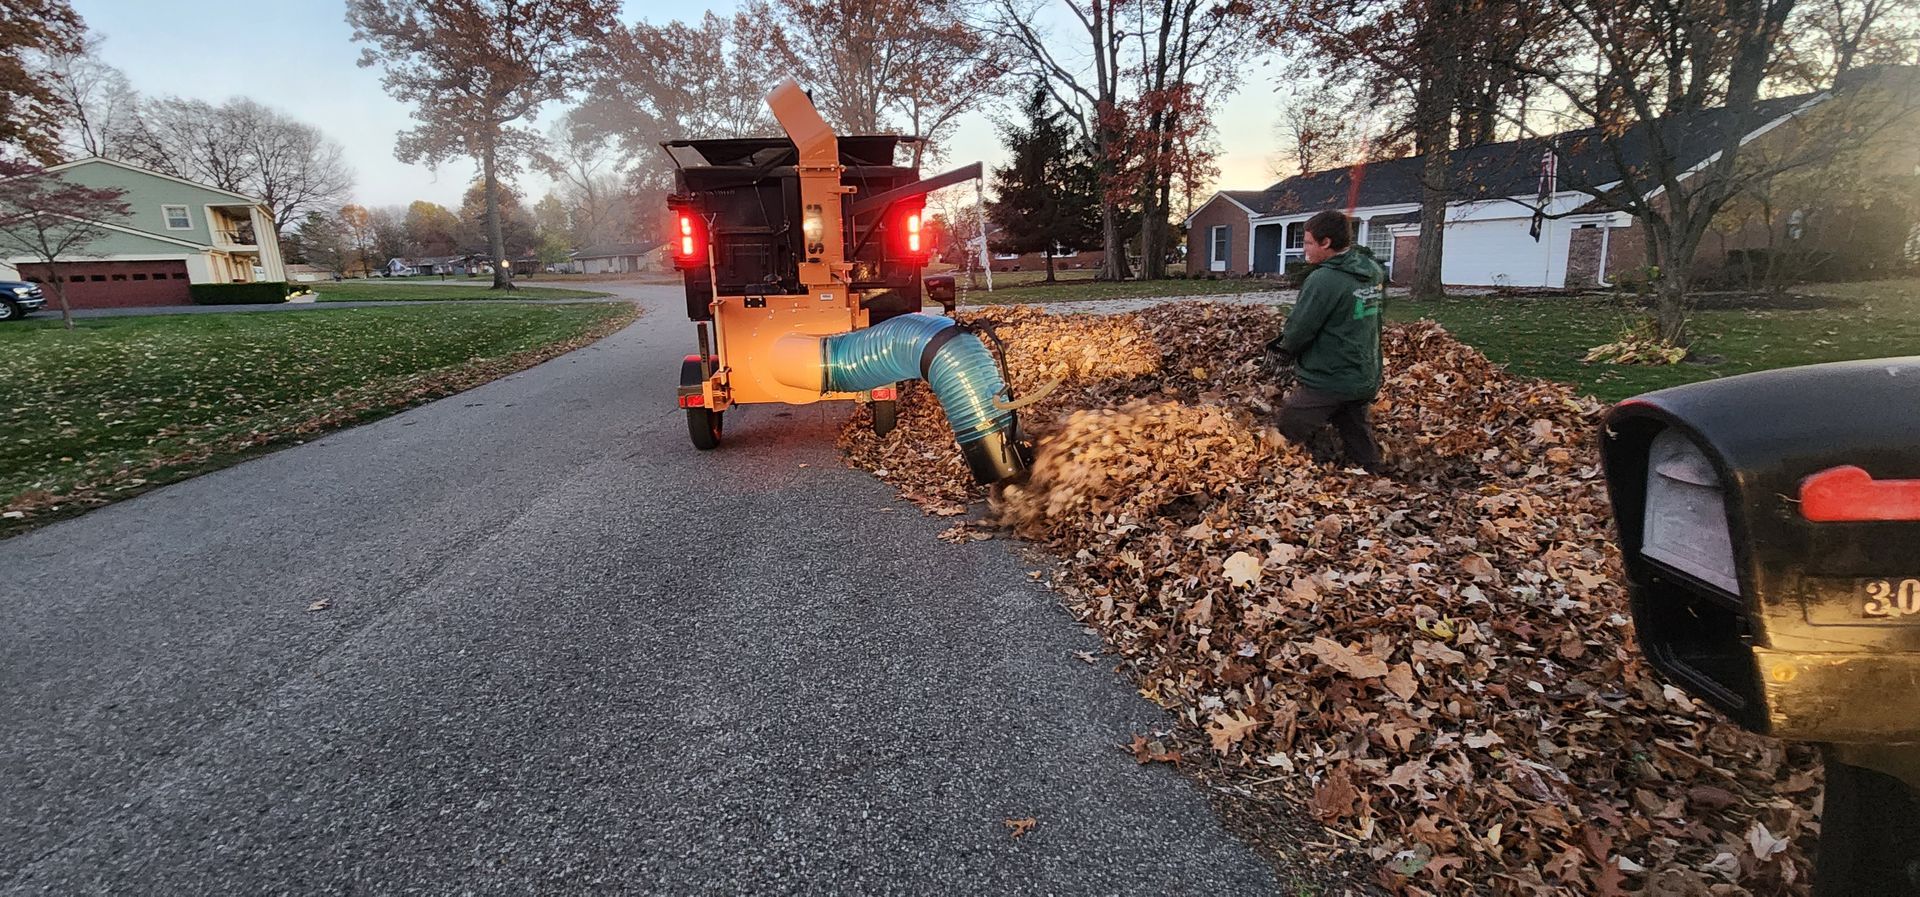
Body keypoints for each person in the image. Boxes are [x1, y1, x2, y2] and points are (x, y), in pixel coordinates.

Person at [1271, 209, 1388, 473]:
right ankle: (1372, 472)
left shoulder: (1324, 279)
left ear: (1326, 243)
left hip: (1332, 375)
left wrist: (1286, 349)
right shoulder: (1371, 270)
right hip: (1364, 370)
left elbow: (1300, 328)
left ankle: (1298, 468)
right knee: (1353, 423)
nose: (1304, 249)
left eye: (1309, 242)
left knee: (1290, 421)